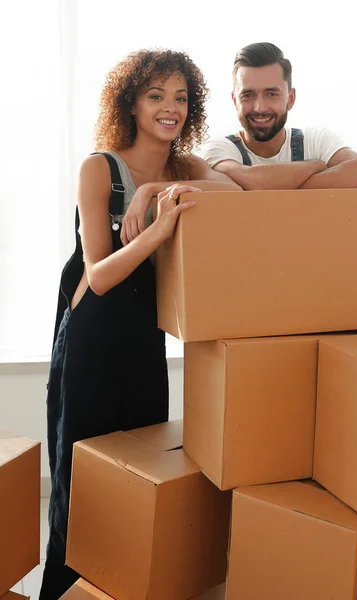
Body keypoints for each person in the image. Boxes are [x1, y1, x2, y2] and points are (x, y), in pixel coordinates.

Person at [40, 48, 240, 600]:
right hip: (94, 336)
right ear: (131, 102)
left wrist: (157, 192)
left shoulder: (187, 167)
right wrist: (155, 230)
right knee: (80, 478)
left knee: (138, 470)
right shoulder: (99, 167)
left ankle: (130, 584)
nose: (169, 108)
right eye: (156, 96)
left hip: (145, 340)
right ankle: (67, 590)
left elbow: (240, 192)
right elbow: (99, 275)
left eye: (180, 98)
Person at [200, 42, 357, 190]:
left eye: (271, 94)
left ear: (290, 98)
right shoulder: (219, 149)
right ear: (234, 100)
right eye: (248, 95)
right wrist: (313, 167)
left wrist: (276, 185)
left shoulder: (316, 141)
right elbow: (252, 179)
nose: (259, 107)